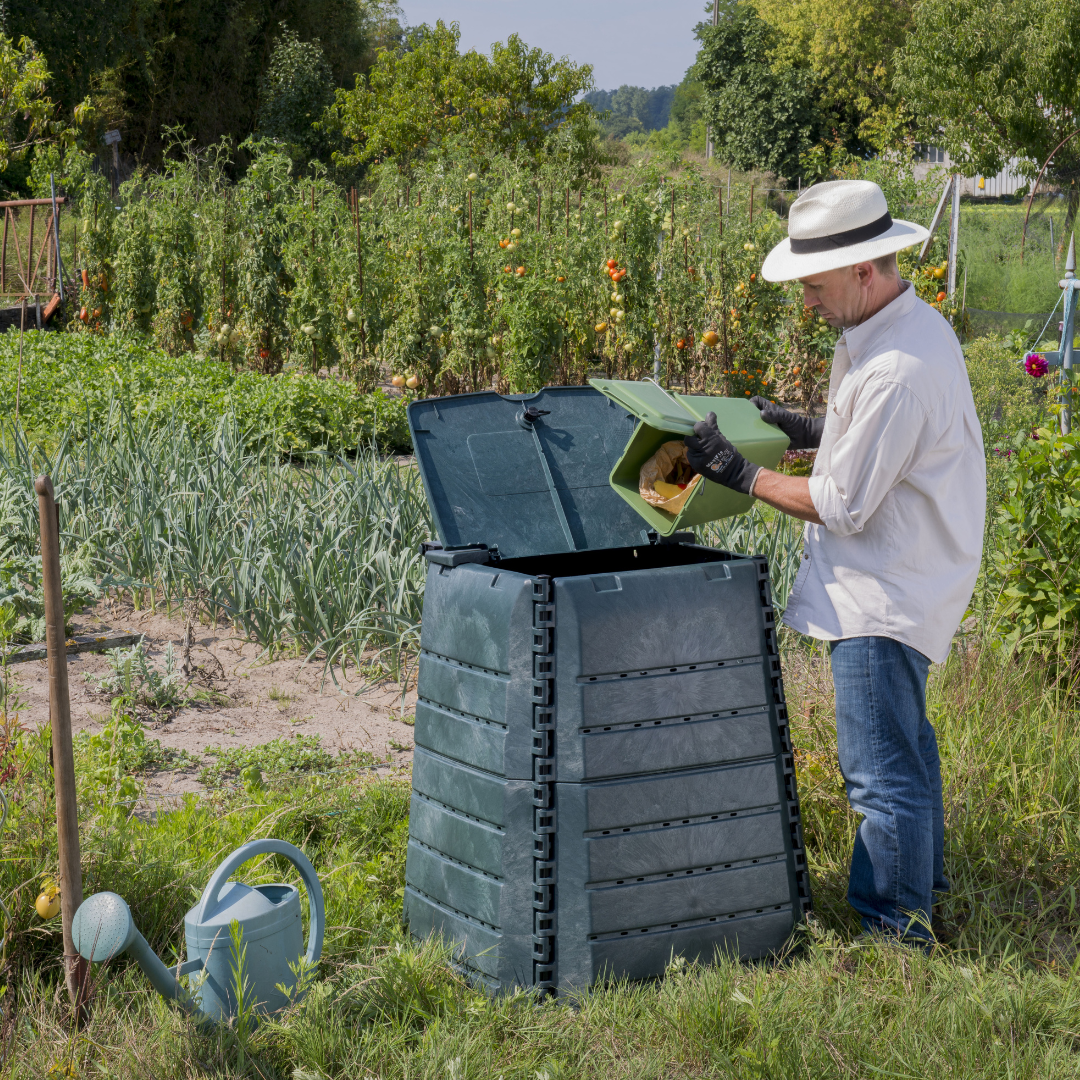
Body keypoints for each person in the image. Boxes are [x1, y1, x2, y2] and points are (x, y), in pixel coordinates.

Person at [684, 179, 985, 945]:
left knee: (880, 776)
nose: (807, 303)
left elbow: (846, 503)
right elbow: (889, 445)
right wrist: (815, 426)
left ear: (863, 270)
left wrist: (742, 474)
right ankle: (921, 895)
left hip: (881, 592)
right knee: (908, 758)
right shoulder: (910, 329)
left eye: (815, 287)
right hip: (905, 577)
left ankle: (894, 931)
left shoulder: (894, 370)